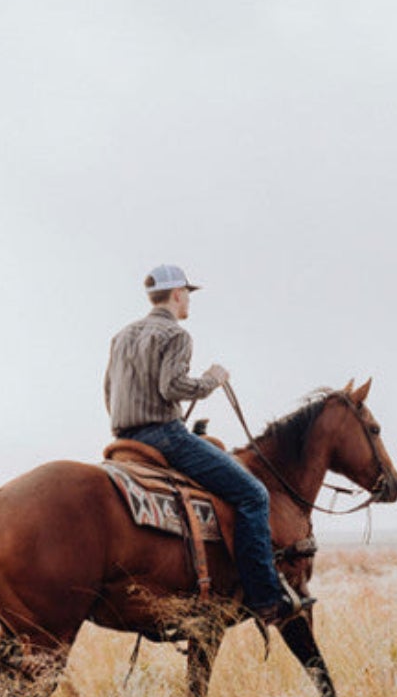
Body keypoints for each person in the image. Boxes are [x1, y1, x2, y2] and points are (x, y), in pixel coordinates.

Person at [104, 263, 307, 623]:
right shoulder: (176, 334)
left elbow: (109, 392)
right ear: (177, 294)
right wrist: (212, 379)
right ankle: (265, 598)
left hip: (124, 438)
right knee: (253, 494)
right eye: (187, 294)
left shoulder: (121, 336)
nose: (188, 302)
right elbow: (172, 387)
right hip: (165, 436)